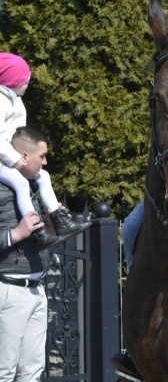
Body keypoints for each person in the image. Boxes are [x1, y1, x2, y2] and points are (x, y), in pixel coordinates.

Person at [0, 53, 88, 249]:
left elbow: (18, 135)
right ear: (12, 81)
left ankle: (60, 220)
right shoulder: (1, 101)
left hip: (8, 158)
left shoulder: (15, 100)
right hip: (3, 159)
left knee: (44, 176)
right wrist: (14, 158)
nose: (28, 83)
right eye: (24, 80)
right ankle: (38, 232)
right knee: (21, 183)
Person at [0, 127, 58, 381]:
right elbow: (19, 233)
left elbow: (45, 240)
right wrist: (16, 233)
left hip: (37, 288)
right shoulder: (3, 188)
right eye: (42, 156)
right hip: (10, 289)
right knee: (4, 370)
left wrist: (53, 223)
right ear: (24, 155)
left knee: (32, 373)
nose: (45, 162)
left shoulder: (35, 188)